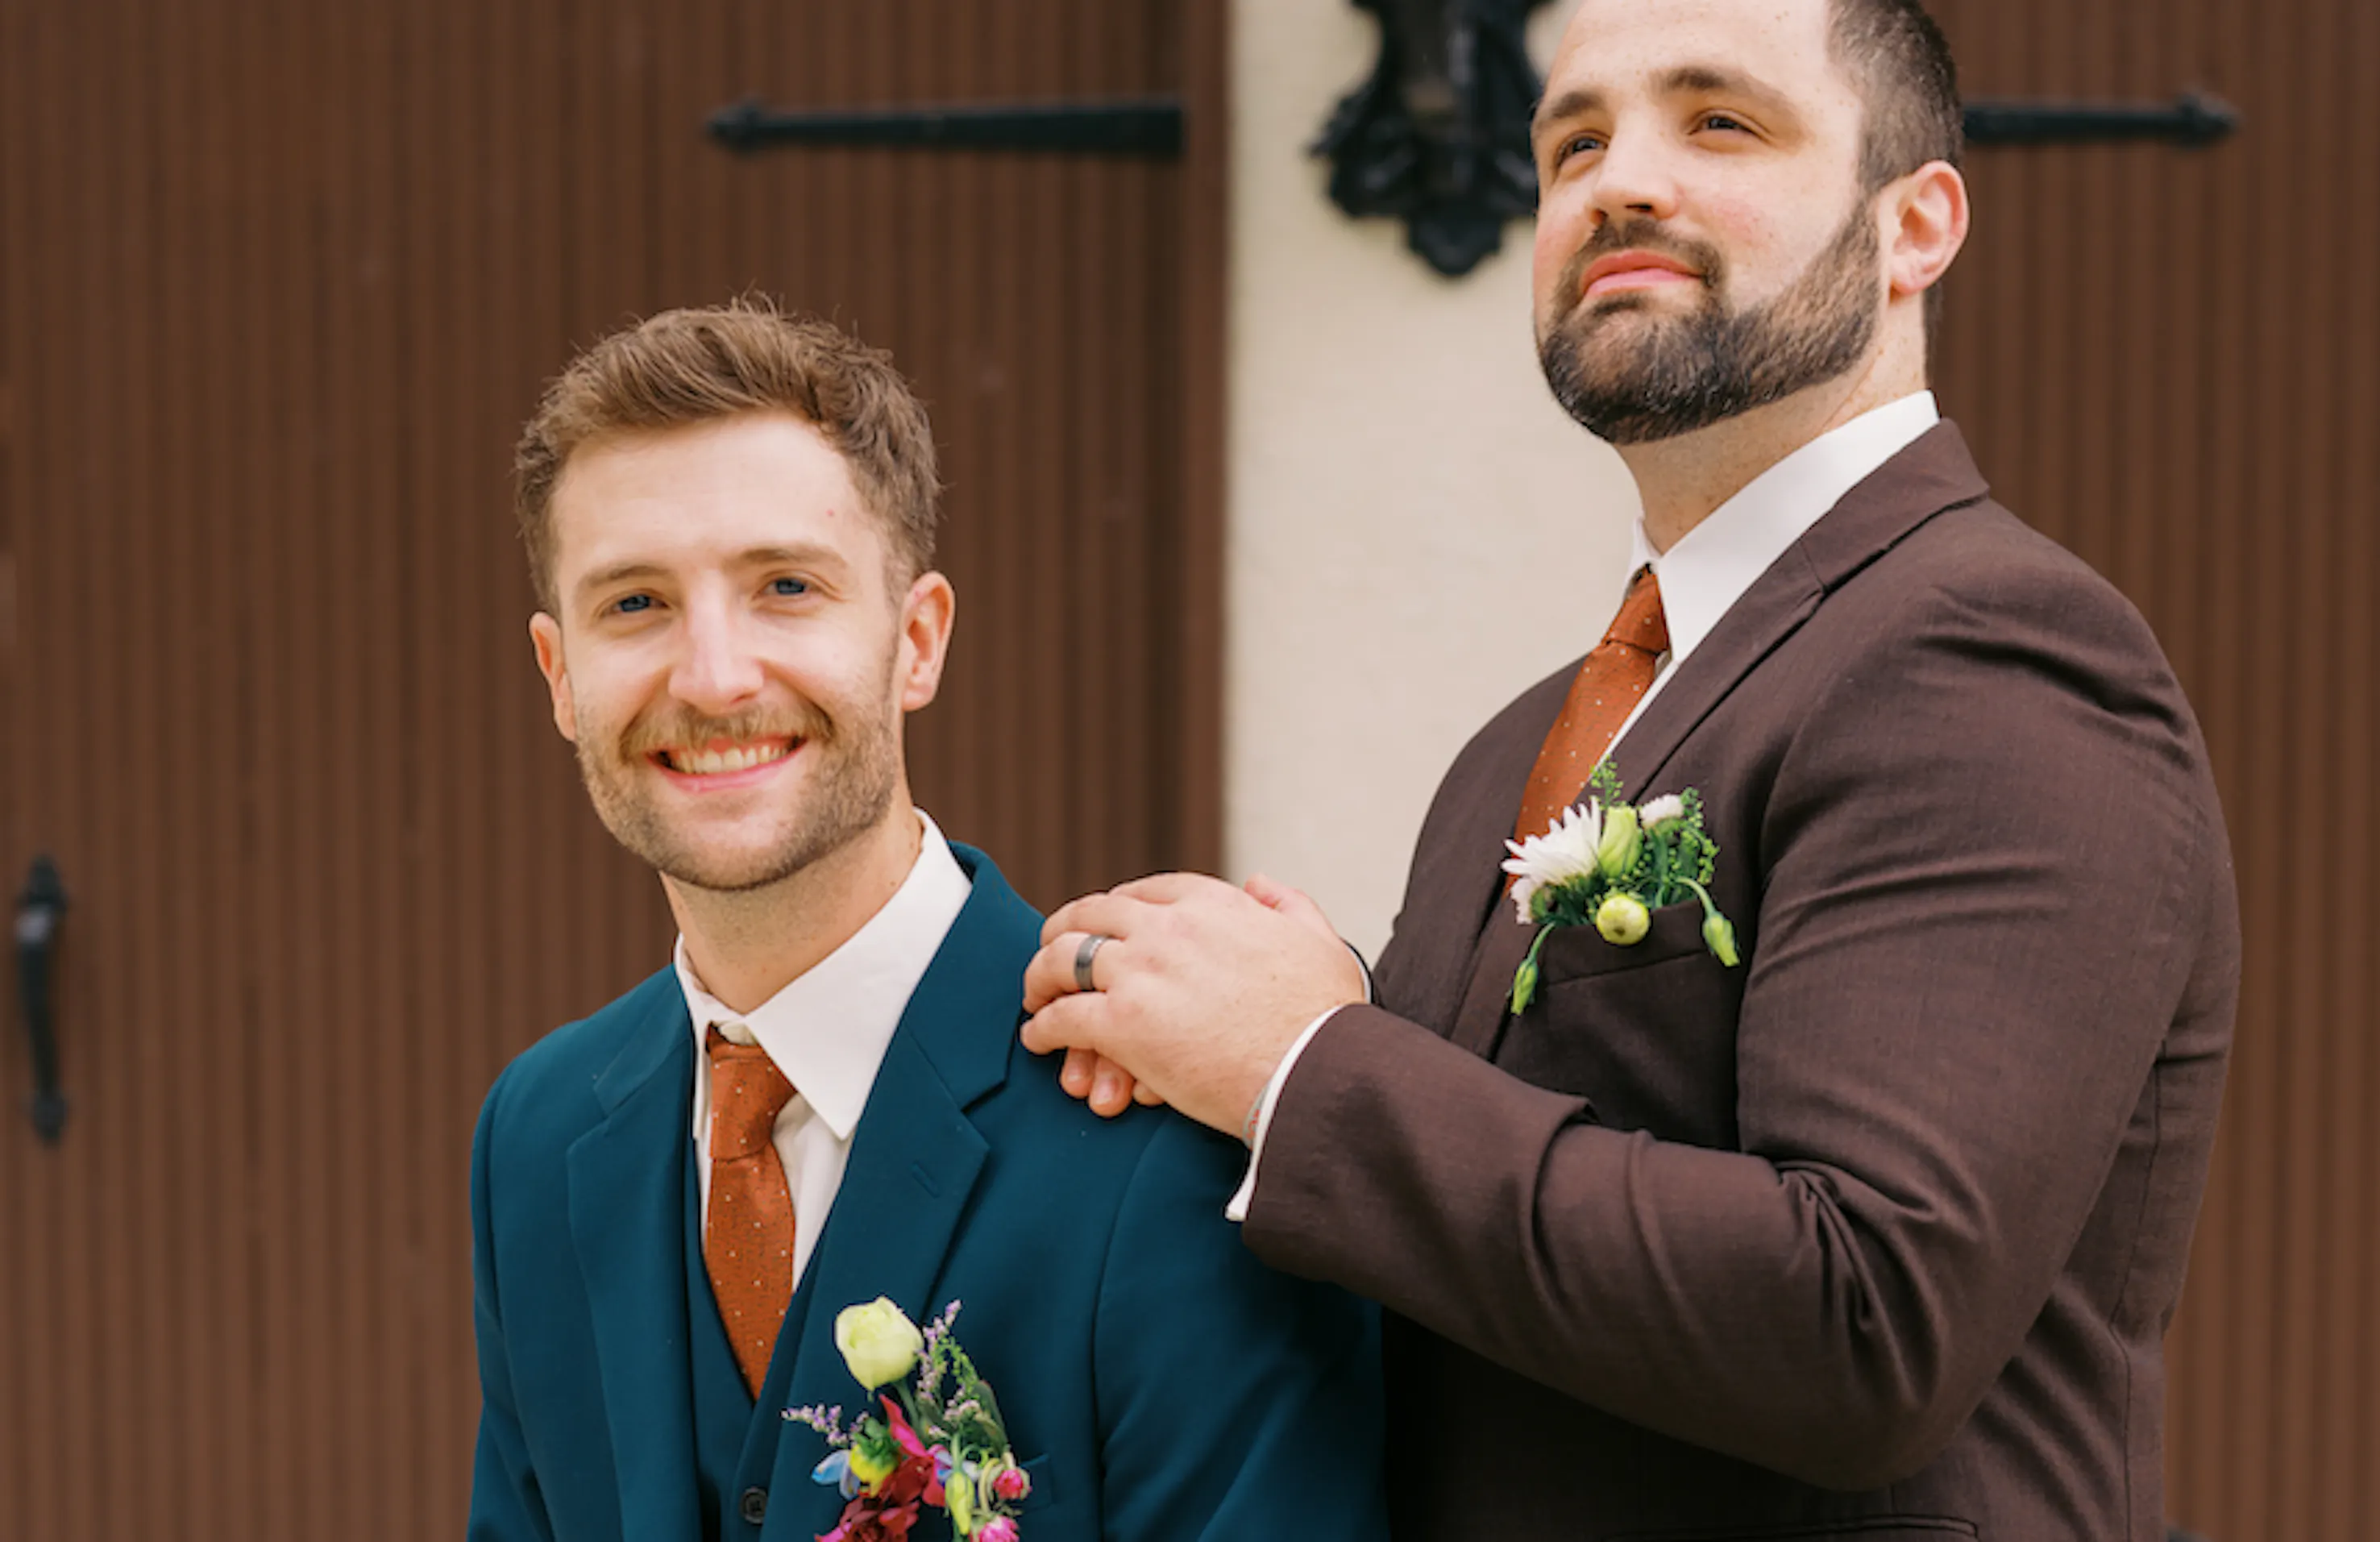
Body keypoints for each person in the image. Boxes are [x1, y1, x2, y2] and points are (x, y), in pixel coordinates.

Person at [1019, 2, 2239, 1539]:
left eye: (1718, 122)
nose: (1621, 180)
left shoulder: (1991, 651)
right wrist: (1217, 1051)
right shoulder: (1524, 743)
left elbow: (1865, 1323)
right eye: (1575, 140)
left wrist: (1308, 1069)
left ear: (1915, 225)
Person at [467, 301, 1385, 1542]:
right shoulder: (537, 1134)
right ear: (560, 678)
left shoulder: (1170, 1127)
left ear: (916, 640)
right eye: (634, 605)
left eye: (786, 586)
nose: (714, 677)